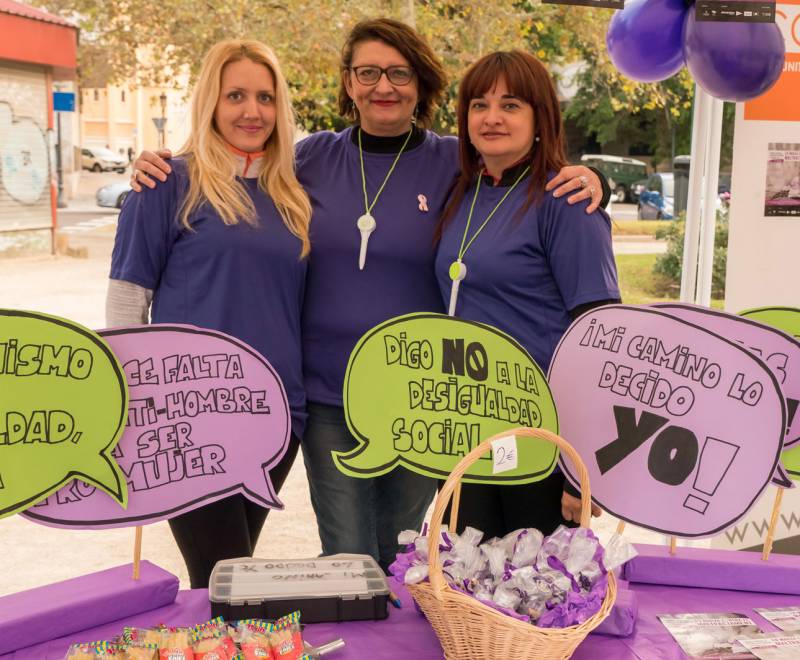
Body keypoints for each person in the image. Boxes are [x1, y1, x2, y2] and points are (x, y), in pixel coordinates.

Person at [129, 18, 609, 571]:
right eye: (368, 72)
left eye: (400, 73)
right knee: (348, 554)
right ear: (349, 82)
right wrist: (160, 165)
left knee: (403, 553)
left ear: (421, 84)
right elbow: (240, 171)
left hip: (422, 398)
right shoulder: (305, 160)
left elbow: (525, 172)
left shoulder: (455, 163)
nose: (384, 85)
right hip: (329, 392)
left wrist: (594, 179)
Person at [106, 39, 312, 587]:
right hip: (190, 420)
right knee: (228, 580)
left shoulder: (290, 192)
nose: (252, 111)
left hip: (278, 416)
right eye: (236, 95)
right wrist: (129, 407)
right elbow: (128, 301)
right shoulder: (166, 182)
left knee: (229, 578)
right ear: (210, 103)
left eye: (265, 97)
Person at [434, 50, 621, 539]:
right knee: (469, 585)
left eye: (511, 104)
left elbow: (601, 340)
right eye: (479, 104)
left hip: (544, 439)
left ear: (541, 117)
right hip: (468, 432)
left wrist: (582, 468)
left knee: (535, 597)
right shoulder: (462, 193)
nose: (492, 117)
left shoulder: (568, 202)